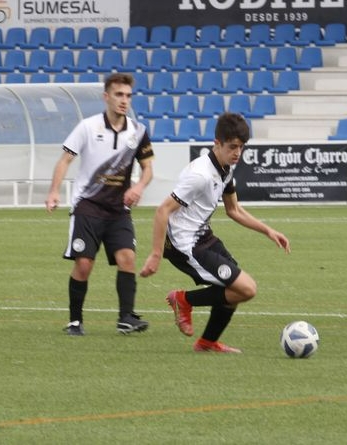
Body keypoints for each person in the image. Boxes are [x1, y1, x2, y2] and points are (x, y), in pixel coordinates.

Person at [139, 112, 290, 353]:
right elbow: (162, 210)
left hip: (204, 237)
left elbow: (234, 210)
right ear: (216, 143)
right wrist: (156, 254)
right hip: (184, 244)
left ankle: (207, 342)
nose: (237, 153)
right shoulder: (200, 175)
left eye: (241, 147)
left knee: (236, 289)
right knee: (246, 288)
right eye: (232, 147)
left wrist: (268, 231)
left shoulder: (226, 167)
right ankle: (183, 300)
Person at [45, 72, 154, 336]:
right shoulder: (87, 127)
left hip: (118, 210)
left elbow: (148, 168)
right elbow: (65, 160)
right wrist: (54, 192)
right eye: (119, 95)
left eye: (128, 96)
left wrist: (138, 187)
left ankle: (126, 318)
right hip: (88, 207)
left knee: (127, 258)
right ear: (106, 97)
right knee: (84, 264)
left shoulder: (138, 132)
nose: (124, 100)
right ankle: (75, 321)